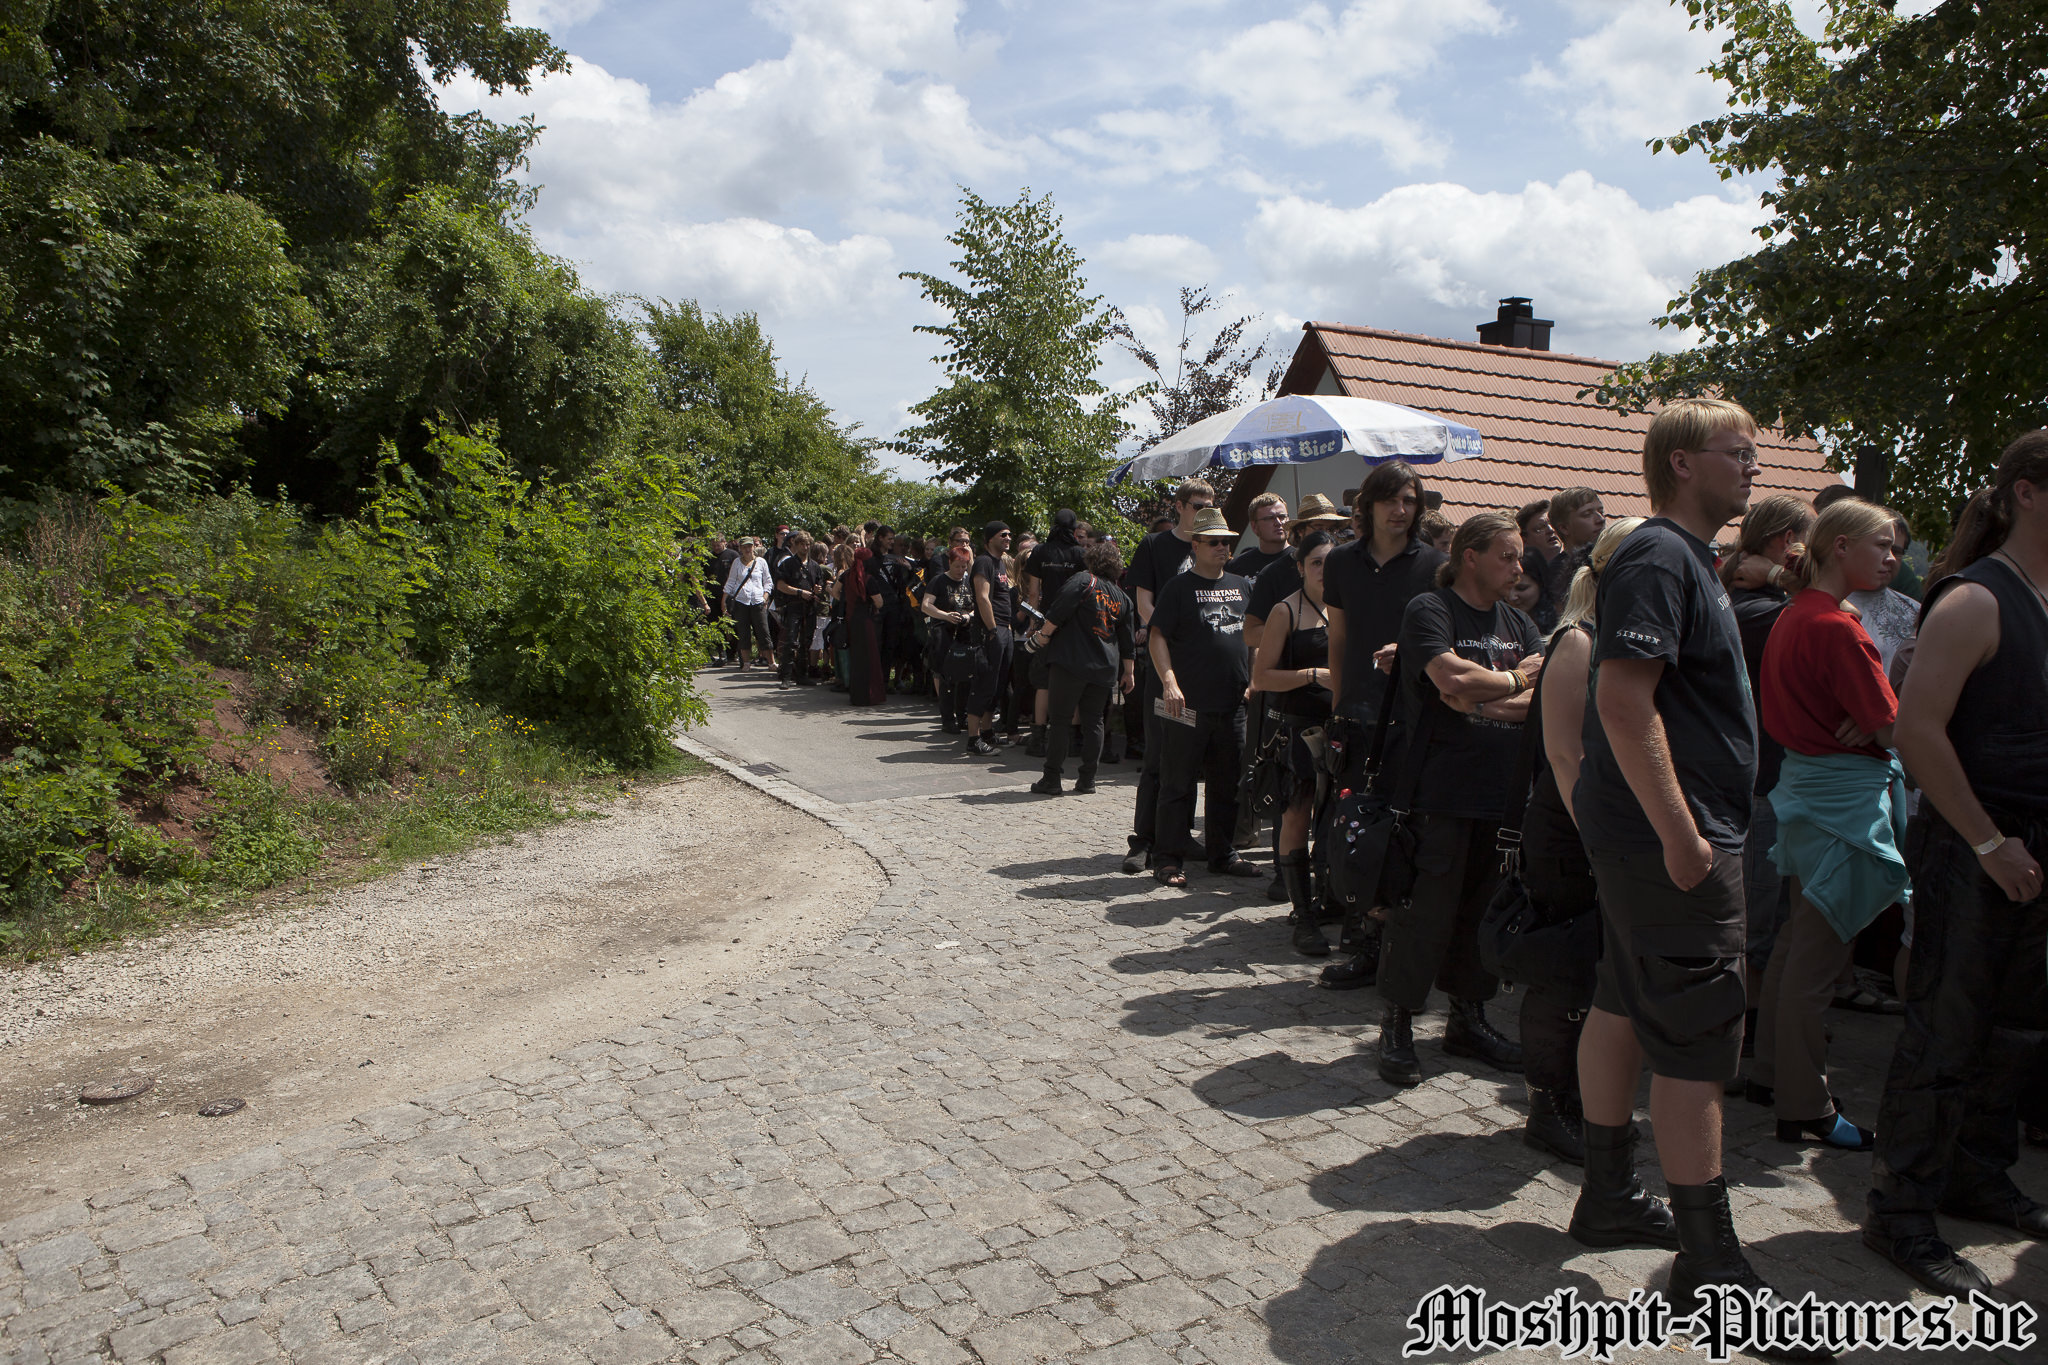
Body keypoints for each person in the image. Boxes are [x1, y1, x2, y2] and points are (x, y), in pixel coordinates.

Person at [1568, 398, 1806, 1328]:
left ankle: (1605, 1195)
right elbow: (1626, 701)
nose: (1753, 467)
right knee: (1702, 1039)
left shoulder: (1684, 558)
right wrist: (1683, 835)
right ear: (1680, 464)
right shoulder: (1662, 554)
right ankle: (1709, 1266)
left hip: (1656, 838)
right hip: (1673, 840)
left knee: (1626, 999)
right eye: (1736, 453)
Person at [1866, 430, 2048, 1297]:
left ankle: (1979, 1173)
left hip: (2034, 847)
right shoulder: (1976, 601)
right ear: (2026, 493)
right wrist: (1987, 839)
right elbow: (1917, 730)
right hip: (1976, 844)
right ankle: (1901, 1207)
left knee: (2016, 1030)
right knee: (1946, 1027)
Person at [1749, 498, 1906, 1154]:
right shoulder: (1836, 625)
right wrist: (1880, 721)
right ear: (1839, 546)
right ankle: (1805, 1103)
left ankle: (1772, 1076)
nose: (1893, 558)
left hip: (1808, 792)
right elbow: (1895, 725)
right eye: (1882, 545)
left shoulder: (1799, 614)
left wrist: (1871, 719)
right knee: (1817, 958)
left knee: (1796, 948)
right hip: (1838, 800)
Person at [1373, 512, 1545, 1088]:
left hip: (1501, 798)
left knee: (1482, 912)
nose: (1519, 568)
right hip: (1438, 791)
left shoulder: (1519, 622)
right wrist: (1512, 682)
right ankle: (1396, 1024)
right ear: (1470, 555)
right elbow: (1451, 679)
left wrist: (1482, 699)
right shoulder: (1432, 610)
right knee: (1424, 914)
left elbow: (1539, 697)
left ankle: (1467, 1021)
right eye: (1508, 555)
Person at [1524, 516, 1647, 1164]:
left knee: (1598, 974)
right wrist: (1598, 836)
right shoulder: (1578, 641)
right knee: (1562, 972)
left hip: (1604, 829)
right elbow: (1565, 754)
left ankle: (1587, 1099)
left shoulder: (1624, 640)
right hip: (1571, 828)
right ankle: (1549, 1103)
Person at [1317, 462, 1447, 988]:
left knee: (1411, 834)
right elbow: (1340, 639)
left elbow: (1450, 640)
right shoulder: (1342, 563)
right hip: (1359, 716)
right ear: (1367, 506)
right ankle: (1366, 944)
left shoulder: (1436, 565)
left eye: (1410, 501)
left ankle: (1409, 950)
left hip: (1419, 717)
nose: (1401, 510)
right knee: (1360, 830)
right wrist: (1340, 700)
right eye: (1391, 499)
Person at [1722, 493, 1815, 1044]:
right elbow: (1834, 624)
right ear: (1788, 543)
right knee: (1756, 922)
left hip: (1769, 778)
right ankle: (1742, 1032)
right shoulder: (1759, 613)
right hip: (1761, 783)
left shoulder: (1758, 602)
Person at [1148, 507, 1262, 887]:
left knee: (1228, 784)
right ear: (1195, 545)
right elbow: (1157, 636)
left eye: (1226, 542)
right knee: (1177, 784)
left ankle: (1222, 852)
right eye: (1213, 541)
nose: (1222, 548)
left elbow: (1252, 637)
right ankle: (1167, 858)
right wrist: (1169, 680)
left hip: (1232, 705)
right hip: (1186, 705)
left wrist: (1254, 677)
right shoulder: (1178, 588)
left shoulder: (1242, 585)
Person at [1250, 531, 1335, 955]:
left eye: (1329, 562)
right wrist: (1314, 675)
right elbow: (1261, 678)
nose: (1323, 570)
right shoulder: (1286, 610)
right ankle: (1303, 916)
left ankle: (1331, 901)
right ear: (1300, 567)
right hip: (1298, 730)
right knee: (1297, 817)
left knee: (1337, 819)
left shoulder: (1347, 608)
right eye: (1316, 562)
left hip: (1345, 729)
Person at [1122, 479, 1213, 873]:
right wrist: (1167, 633)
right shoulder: (1155, 546)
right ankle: (1143, 840)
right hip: (1164, 666)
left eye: (1211, 503)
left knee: (1190, 757)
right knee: (1158, 756)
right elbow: (1144, 602)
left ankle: (1179, 835)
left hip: (1201, 669)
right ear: (1179, 506)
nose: (1205, 510)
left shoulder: (1216, 545)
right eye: (1197, 504)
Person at [1026, 541, 1136, 795]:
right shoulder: (1123, 597)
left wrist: (1043, 636)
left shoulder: (1083, 580)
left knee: (1061, 720)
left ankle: (1052, 778)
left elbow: (1058, 611)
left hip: (1071, 662)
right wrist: (1128, 672)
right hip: (1104, 667)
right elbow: (1127, 641)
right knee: (1094, 721)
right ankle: (1088, 779)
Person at [1025, 511, 1090, 757]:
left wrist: (1034, 622)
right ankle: (1070, 741)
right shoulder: (1080, 554)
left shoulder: (1040, 551)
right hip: (1073, 624)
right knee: (1071, 680)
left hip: (1045, 621)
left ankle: (1037, 738)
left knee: (1043, 682)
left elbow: (1033, 592)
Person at [965, 522, 1015, 757]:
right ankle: (973, 739)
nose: (1008, 538)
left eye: (1009, 534)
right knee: (984, 684)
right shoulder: (984, 562)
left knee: (997, 685)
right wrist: (993, 630)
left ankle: (987, 732)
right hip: (990, 632)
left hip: (1005, 630)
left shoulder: (1001, 564)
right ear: (989, 539)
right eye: (1002, 535)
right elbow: (983, 598)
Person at [921, 545, 977, 734]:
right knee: (946, 677)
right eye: (957, 567)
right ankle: (947, 719)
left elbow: (980, 604)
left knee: (965, 677)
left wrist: (969, 616)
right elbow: (926, 606)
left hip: (965, 634)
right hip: (944, 634)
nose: (961, 571)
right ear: (949, 564)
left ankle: (962, 716)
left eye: (964, 567)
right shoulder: (939, 581)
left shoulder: (970, 581)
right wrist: (945, 615)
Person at [774, 531, 825, 686]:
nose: (805, 547)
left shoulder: (814, 566)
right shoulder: (788, 564)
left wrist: (817, 590)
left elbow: (820, 585)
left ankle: (802, 675)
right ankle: (786, 676)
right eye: (802, 544)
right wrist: (799, 592)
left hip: (809, 608)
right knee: (790, 640)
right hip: (793, 606)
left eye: (808, 544)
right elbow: (780, 585)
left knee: (806, 641)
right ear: (796, 545)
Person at [843, 537, 887, 706]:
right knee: (870, 658)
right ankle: (870, 695)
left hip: (852, 619)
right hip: (867, 620)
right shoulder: (869, 579)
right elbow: (879, 602)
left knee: (856, 658)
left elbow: (835, 592)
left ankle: (857, 695)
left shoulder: (848, 575)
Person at [723, 537, 775, 668]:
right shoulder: (736, 563)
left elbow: (768, 582)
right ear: (740, 548)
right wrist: (724, 599)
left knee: (764, 632)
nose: (747, 549)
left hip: (758, 602)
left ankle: (771, 662)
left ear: (753, 547)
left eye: (749, 546)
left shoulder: (761, 562)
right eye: (744, 547)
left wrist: (765, 597)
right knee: (743, 633)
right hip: (741, 602)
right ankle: (746, 662)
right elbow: (731, 582)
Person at [1518, 500, 1566, 632]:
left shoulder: (1575, 568)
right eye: (1540, 528)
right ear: (1524, 539)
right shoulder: (1517, 571)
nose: (1550, 530)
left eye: (1552, 524)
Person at [1229, 493, 1291, 580]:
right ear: (1254, 526)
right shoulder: (1237, 567)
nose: (1278, 523)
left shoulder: (1303, 560)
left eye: (1282, 517)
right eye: (1270, 518)